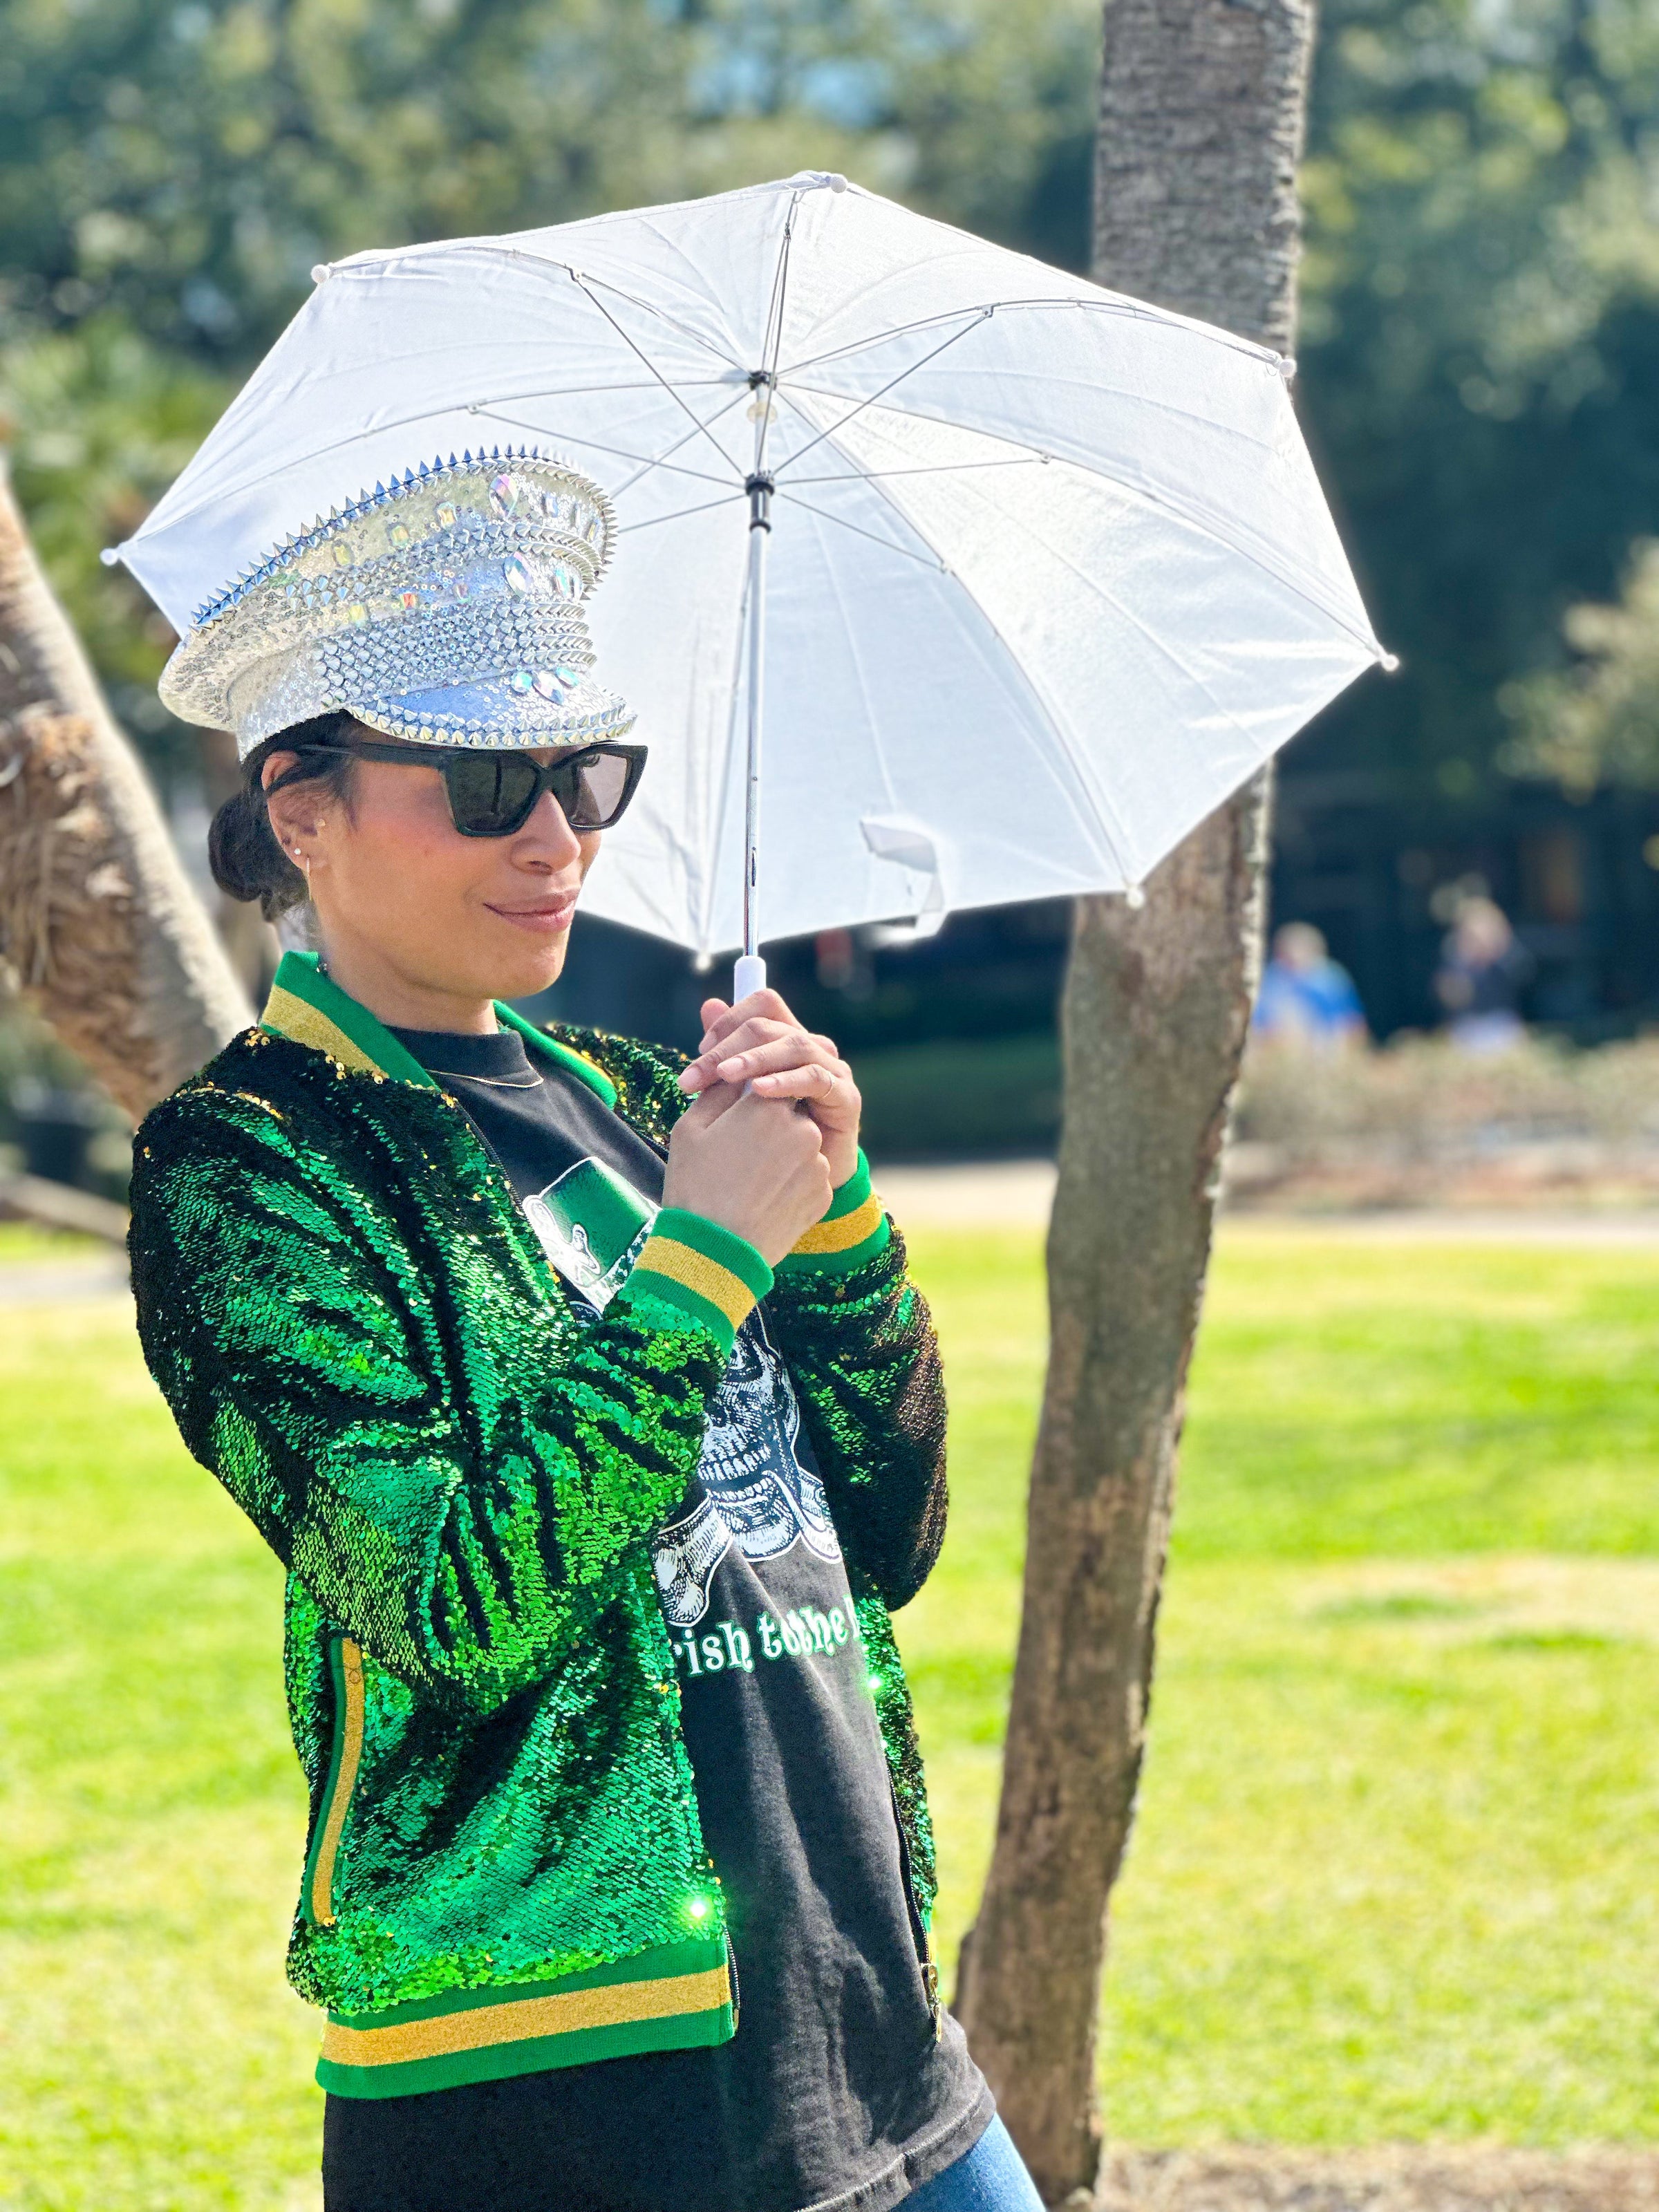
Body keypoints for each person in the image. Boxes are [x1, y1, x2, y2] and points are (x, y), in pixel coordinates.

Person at [127, 452, 1040, 2212]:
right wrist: (701, 1257)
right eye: (487, 783)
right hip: (558, 2077)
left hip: (867, 2003)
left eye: (585, 773)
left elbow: (883, 1536)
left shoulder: (636, 1093)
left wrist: (835, 1221)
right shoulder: (249, 1166)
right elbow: (452, 1614)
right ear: (300, 807)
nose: (556, 838)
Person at [1434, 894, 1533, 1051]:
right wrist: (1470, 963)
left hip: (1503, 1028)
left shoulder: (1509, 956)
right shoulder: (1456, 959)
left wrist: (1497, 952)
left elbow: (1524, 977)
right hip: (1466, 1029)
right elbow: (1449, 996)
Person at [1252, 921, 1368, 1050]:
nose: (1294, 956)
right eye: (1288, 952)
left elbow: (1352, 1024)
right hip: (1276, 1049)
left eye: (1300, 950)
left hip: (1325, 1048)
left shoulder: (1330, 980)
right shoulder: (1268, 980)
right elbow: (1255, 1023)